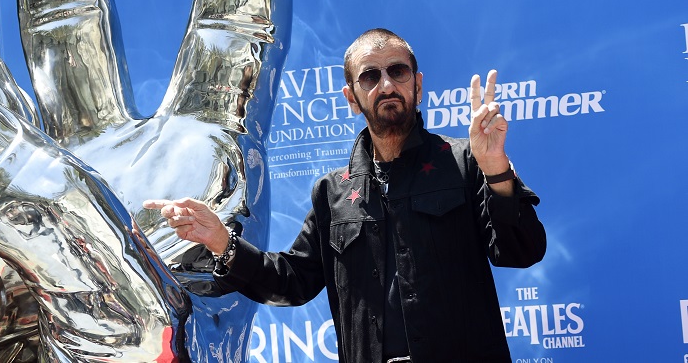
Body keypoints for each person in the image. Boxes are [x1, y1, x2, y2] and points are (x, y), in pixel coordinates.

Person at [145, 28, 547, 363]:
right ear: (352, 98)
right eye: (370, 76)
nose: (387, 84)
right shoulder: (332, 192)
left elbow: (521, 251)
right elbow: (293, 282)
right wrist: (220, 241)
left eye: (398, 71)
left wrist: (496, 168)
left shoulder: (467, 162)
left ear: (418, 86)